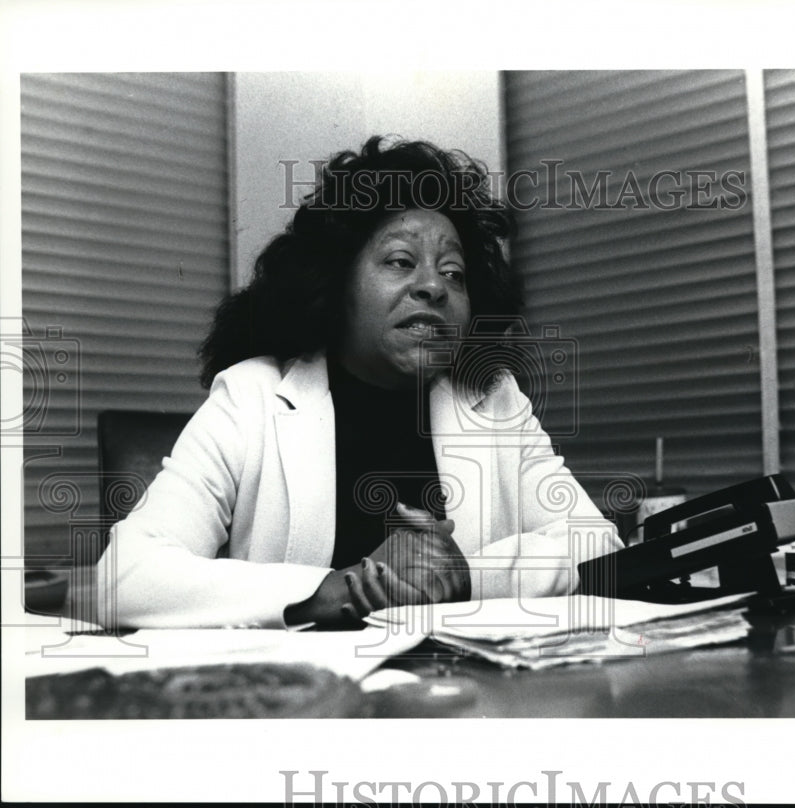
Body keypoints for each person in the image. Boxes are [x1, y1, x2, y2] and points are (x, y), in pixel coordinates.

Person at [96, 136, 622, 629]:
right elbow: (122, 577)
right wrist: (339, 587)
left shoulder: (491, 398)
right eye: (400, 261)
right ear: (335, 282)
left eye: (454, 272)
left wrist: (465, 575)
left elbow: (598, 546)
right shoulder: (251, 397)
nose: (433, 286)